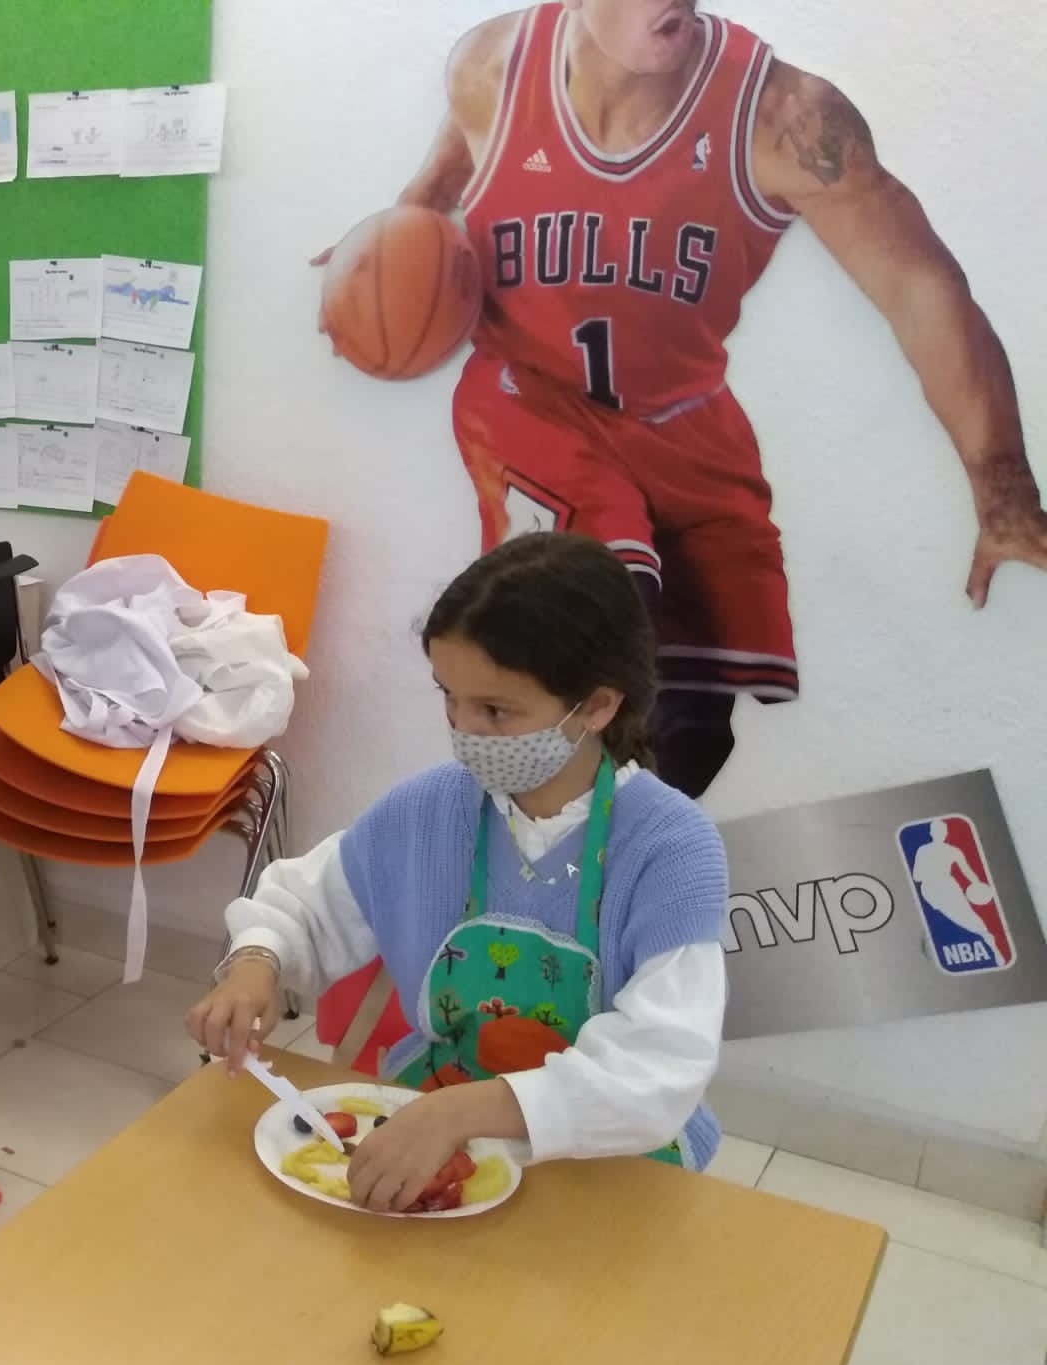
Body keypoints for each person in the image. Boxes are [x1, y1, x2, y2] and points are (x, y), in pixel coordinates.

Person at [370, 0, 1046, 796]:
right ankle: (534, 841)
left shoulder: (784, 118)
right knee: (590, 624)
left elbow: (921, 291)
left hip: (684, 428)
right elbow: (441, 184)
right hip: (530, 405)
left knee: (689, 728)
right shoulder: (494, 66)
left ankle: (616, 856)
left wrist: (1005, 492)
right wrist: (385, 256)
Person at [186, 534, 729, 1212]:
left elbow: (657, 1068)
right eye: (450, 697)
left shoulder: (670, 849)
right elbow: (306, 904)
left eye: (495, 711)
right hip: (435, 1129)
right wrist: (257, 964)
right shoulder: (430, 809)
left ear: (596, 706)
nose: (464, 730)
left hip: (611, 1160)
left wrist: (462, 1112)